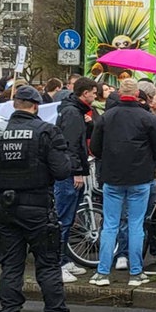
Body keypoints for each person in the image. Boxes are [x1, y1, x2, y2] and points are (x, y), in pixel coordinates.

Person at [0, 86, 87, 312]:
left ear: (14, 105)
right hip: (38, 207)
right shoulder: (46, 131)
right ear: (35, 106)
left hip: (5, 208)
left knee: (10, 268)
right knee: (48, 266)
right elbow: (62, 170)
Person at [89, 78, 156, 287]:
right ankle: (136, 273)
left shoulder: (106, 117)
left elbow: (95, 149)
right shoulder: (147, 118)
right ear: (137, 95)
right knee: (136, 225)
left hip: (112, 178)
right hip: (140, 177)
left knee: (110, 225)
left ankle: (102, 273)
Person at [54, 77, 99, 283]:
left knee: (69, 218)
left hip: (71, 170)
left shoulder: (75, 111)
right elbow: (70, 145)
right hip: (70, 173)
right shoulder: (73, 113)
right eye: (93, 92)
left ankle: (64, 258)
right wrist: (76, 171)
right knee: (64, 218)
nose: (96, 96)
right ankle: (58, 263)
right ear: (85, 93)